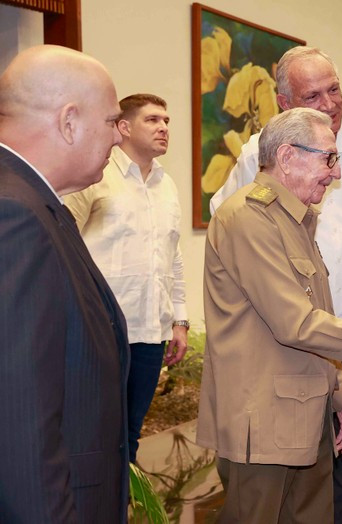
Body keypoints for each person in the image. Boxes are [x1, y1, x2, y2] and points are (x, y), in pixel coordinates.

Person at [209, 46, 342, 523]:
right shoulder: (253, 194)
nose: (329, 103)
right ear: (284, 106)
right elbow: (289, 314)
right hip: (279, 367)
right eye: (313, 95)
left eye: (335, 89)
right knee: (272, 494)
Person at [0, 45, 130, 522]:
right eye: (112, 121)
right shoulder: (15, 214)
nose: (119, 137)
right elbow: (18, 423)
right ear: (69, 121)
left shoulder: (35, 203)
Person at [65, 93, 189, 463]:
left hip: (151, 333)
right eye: (152, 120)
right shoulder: (94, 177)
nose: (164, 128)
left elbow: (174, 256)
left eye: (166, 121)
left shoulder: (167, 186)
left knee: (130, 437)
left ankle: (124, 510)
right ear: (123, 127)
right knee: (95, 435)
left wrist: (179, 320)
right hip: (102, 332)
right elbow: (63, 243)